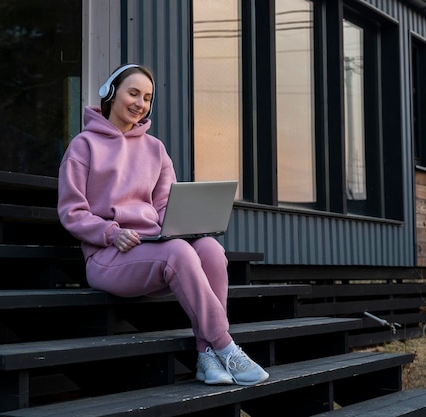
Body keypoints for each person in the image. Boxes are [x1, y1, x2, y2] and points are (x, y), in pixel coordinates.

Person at [57, 63, 269, 386]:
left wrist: (186, 225)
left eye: (147, 97)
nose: (140, 103)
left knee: (210, 249)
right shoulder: (84, 146)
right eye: (133, 93)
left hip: (155, 247)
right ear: (111, 94)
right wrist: (110, 233)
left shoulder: (155, 149)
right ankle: (226, 346)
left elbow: (165, 206)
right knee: (180, 254)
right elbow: (71, 211)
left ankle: (205, 355)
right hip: (108, 256)